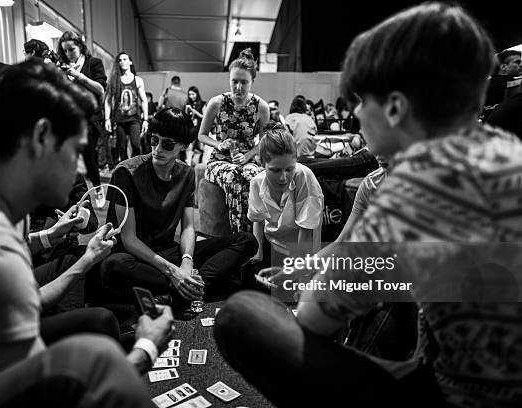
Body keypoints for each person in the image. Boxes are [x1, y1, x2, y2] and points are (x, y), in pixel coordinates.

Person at [215, 3, 522, 407]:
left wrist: (332, 279)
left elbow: (312, 319)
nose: (356, 113)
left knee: (240, 317)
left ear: (395, 106)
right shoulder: (506, 152)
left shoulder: (409, 192)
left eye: (362, 100)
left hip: (459, 395)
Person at [0, 60, 173, 406]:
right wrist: (146, 349)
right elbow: (23, 394)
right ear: (41, 138)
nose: (81, 166)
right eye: (77, 150)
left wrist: (52, 235)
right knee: (106, 364)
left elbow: (20, 264)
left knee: (97, 328)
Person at [101, 108, 257, 305]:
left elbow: (188, 227)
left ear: (183, 146)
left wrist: (186, 261)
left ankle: (177, 293)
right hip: (134, 256)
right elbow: (129, 239)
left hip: (168, 253)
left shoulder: (186, 173)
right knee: (113, 266)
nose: (157, 149)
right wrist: (173, 271)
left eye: (167, 144)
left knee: (247, 241)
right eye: (153, 140)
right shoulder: (125, 172)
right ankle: (193, 287)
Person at [198, 48, 270, 233]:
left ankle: (254, 237)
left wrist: (248, 156)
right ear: (229, 80)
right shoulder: (216, 103)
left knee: (253, 177)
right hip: (219, 160)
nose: (238, 87)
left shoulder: (261, 106)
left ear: (252, 81)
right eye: (234, 82)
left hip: (248, 160)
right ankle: (240, 235)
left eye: (244, 82)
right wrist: (219, 144)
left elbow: (264, 141)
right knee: (233, 176)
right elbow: (201, 135)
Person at [247, 123, 323, 271]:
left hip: (304, 251)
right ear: (262, 163)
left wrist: (300, 272)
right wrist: (258, 252)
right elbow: (258, 220)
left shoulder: (304, 177)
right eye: (275, 170)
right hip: (274, 245)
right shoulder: (256, 182)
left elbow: (306, 230)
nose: (283, 178)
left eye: (289, 169)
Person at [57, 31, 108, 208]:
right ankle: (77, 198)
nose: (68, 53)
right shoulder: (62, 68)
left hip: (89, 119)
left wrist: (78, 75)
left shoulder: (93, 63)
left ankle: (98, 188)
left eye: (71, 49)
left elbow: (100, 89)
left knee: (88, 159)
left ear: (80, 46)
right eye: (65, 50)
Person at [105, 51, 149, 162]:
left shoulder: (138, 80)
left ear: (130, 62)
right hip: (119, 119)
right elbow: (108, 101)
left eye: (125, 59)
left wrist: (146, 120)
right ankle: (125, 171)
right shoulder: (115, 80)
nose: (122, 62)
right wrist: (107, 119)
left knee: (136, 145)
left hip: (134, 118)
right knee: (122, 148)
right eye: (120, 60)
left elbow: (144, 100)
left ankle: (136, 167)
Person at [285, 95, 318, 159]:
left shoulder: (289, 118)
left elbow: (285, 139)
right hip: (312, 156)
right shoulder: (310, 119)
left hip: (296, 157)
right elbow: (316, 136)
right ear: (304, 107)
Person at [183, 85, 206, 164]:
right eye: (189, 94)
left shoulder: (202, 104)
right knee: (189, 148)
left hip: (200, 129)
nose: (191, 96)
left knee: (200, 148)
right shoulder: (188, 104)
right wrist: (187, 109)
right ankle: (188, 165)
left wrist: (194, 111)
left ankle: (200, 166)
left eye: (193, 94)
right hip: (191, 129)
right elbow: (185, 117)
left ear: (197, 94)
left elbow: (204, 117)